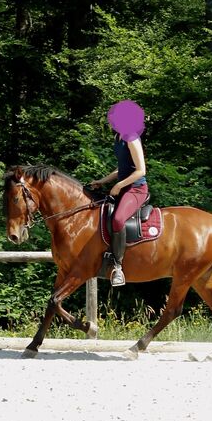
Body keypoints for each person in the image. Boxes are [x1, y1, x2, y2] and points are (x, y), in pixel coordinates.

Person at [90, 100, 149, 286]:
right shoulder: (119, 138)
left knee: (117, 220)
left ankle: (118, 267)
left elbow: (141, 170)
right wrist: (103, 181)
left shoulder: (132, 138)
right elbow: (121, 168)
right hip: (124, 187)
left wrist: (118, 186)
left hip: (136, 188)